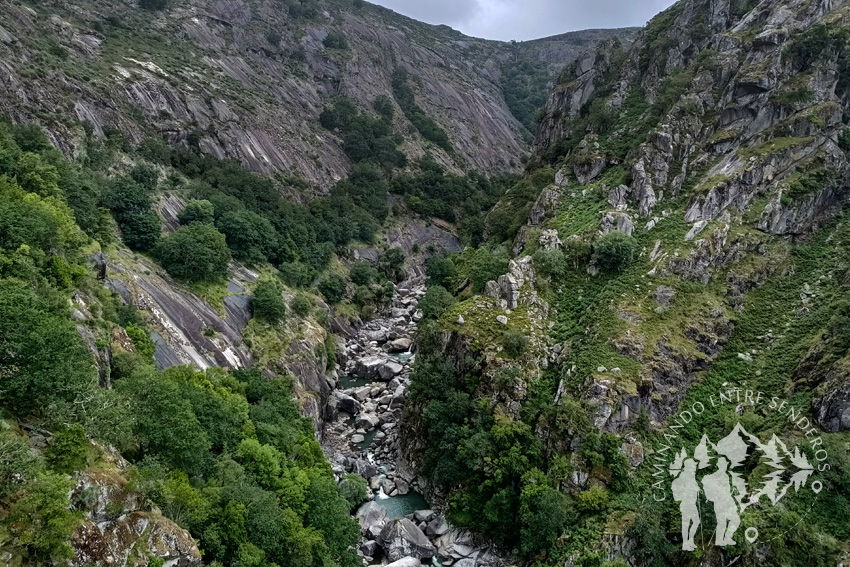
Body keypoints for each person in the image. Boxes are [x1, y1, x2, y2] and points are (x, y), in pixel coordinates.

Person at [702, 457, 741, 546]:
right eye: (722, 464)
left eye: (725, 464)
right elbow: (712, 485)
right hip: (720, 502)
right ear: (719, 465)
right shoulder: (715, 476)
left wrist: (731, 492)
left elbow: (725, 491)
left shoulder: (726, 476)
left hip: (727, 501)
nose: (724, 466)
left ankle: (727, 538)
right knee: (722, 522)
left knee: (735, 520)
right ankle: (720, 540)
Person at [671, 458, 701, 551]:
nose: (695, 468)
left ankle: (690, 541)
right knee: (686, 524)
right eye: (693, 466)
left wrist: (697, 488)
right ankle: (685, 544)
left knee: (696, 522)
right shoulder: (684, 476)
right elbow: (677, 485)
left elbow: (693, 486)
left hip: (692, 504)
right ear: (688, 467)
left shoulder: (691, 476)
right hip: (687, 504)